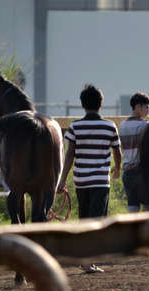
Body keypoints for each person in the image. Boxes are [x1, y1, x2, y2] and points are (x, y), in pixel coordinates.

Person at [58, 84, 121, 273]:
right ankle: (87, 261)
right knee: (97, 222)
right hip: (101, 181)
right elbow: (117, 151)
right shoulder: (109, 126)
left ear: (82, 105)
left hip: (81, 181)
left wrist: (62, 180)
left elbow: (70, 155)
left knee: (85, 219)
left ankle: (86, 259)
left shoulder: (76, 126)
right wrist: (117, 168)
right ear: (101, 104)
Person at [118, 92, 149, 212]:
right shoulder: (145, 125)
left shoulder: (122, 125)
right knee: (148, 207)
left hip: (127, 173)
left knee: (132, 208)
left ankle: (132, 230)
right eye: (146, 107)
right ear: (138, 106)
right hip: (142, 173)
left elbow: (122, 149)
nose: (148, 111)